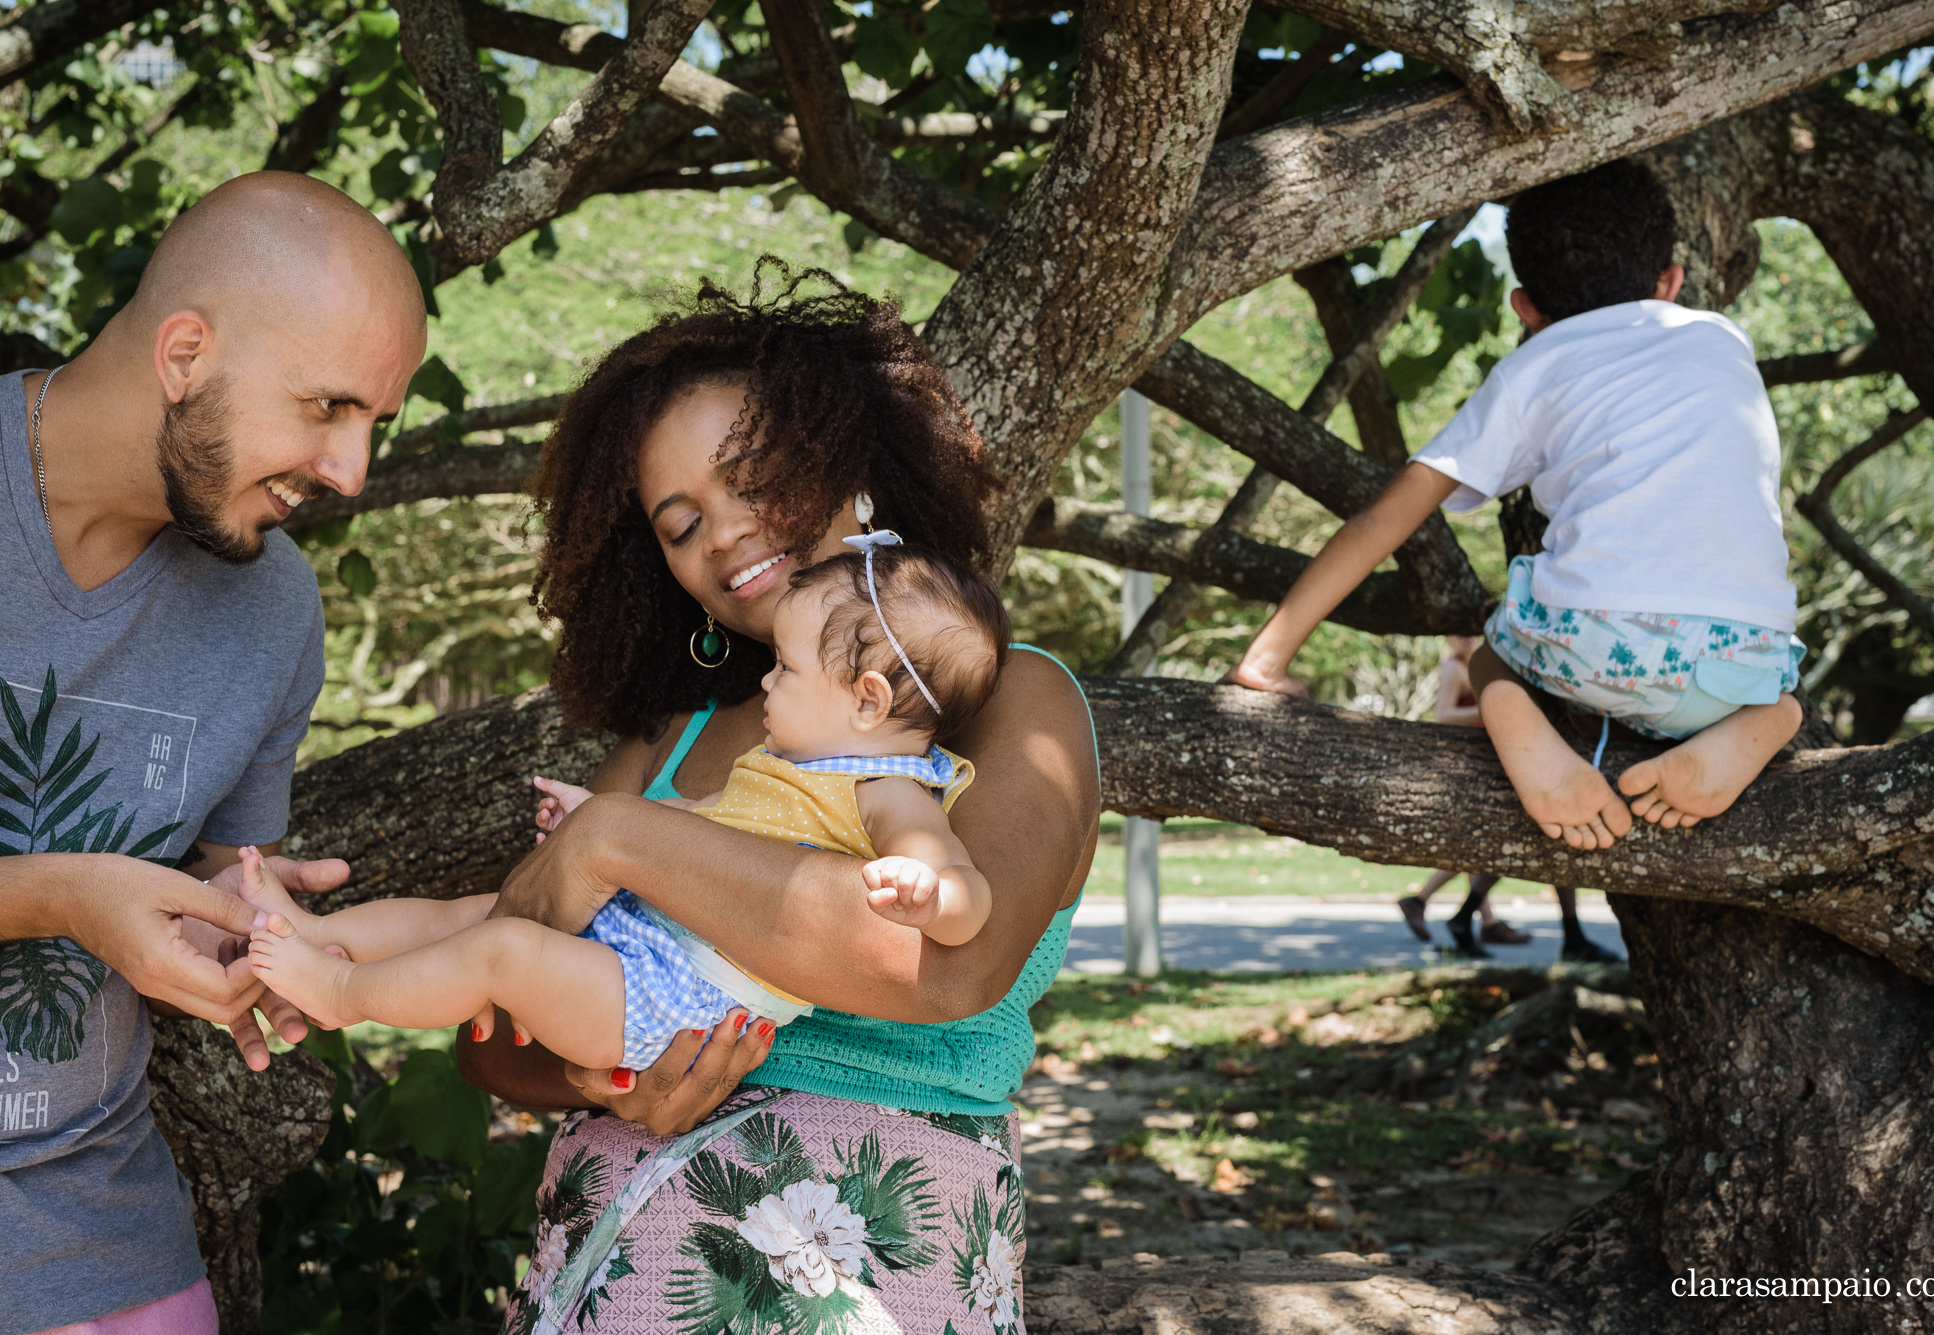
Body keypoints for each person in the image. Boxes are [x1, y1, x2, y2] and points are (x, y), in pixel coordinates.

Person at [453, 264, 1099, 1335]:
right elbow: (484, 1030)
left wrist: (616, 845)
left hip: (878, 1251)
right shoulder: (666, 745)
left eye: (754, 477)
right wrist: (598, 1080)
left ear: (855, 474)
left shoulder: (1013, 704)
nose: (725, 533)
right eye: (677, 523)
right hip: (618, 1249)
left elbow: (943, 967)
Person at [0, 174, 425, 1335]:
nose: (350, 473)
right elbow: (72, 899)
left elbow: (199, 899)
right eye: (328, 406)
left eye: (372, 425)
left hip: (94, 1239)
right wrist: (58, 898)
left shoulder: (270, 611)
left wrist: (228, 917)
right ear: (185, 352)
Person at [236, 537, 1009, 1069]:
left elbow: (967, 896)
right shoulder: (785, 763)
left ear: (868, 700)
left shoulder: (889, 790)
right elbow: (702, 824)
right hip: (647, 936)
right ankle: (314, 930)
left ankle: (340, 994)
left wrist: (931, 893)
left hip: (675, 999)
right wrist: (593, 822)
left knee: (497, 952)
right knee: (469, 913)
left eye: (787, 668)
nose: (768, 682)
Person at [1226, 160, 1803, 851]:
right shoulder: (1721, 338)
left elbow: (1386, 519)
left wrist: (1266, 656)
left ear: (1524, 308)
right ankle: (1759, 725)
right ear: (1672, 283)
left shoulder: (1535, 364)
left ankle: (1517, 719)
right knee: (1786, 698)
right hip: (1740, 657)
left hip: (1588, 648)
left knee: (1490, 652)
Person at [1398, 635, 1530, 955]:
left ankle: (1475, 919)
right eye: (1457, 633)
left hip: (1486, 762)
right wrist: (1487, 708)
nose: (1465, 638)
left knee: (1474, 849)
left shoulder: (1487, 664)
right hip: (1466, 766)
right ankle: (1463, 915)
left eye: (1470, 631)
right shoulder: (1455, 670)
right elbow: (1442, 715)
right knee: (1479, 849)